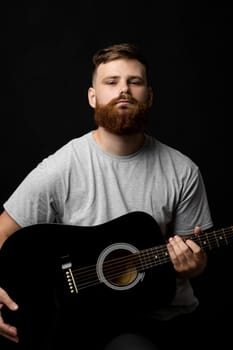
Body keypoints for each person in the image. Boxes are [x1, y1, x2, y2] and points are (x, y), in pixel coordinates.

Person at [0, 42, 213, 349]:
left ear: (149, 96)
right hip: (80, 317)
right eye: (111, 82)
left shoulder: (182, 171)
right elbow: (3, 230)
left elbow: (194, 255)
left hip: (157, 317)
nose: (123, 90)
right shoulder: (61, 167)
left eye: (134, 82)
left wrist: (195, 265)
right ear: (93, 96)